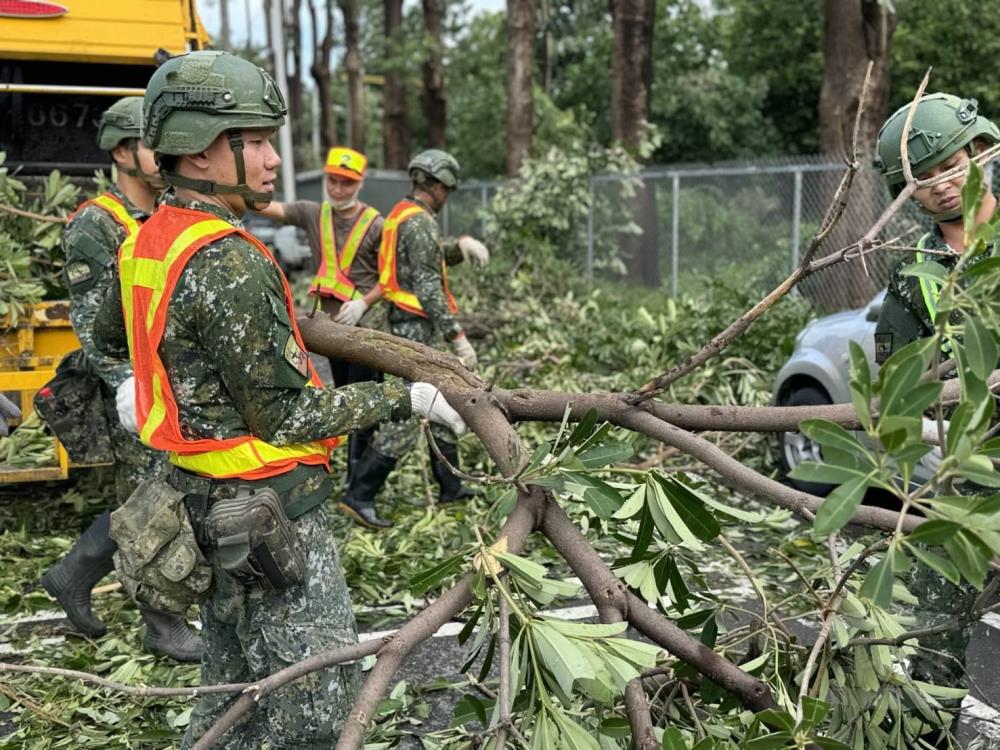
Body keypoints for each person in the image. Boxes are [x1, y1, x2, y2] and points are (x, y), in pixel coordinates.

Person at [93, 50, 467, 747]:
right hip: (267, 516)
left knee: (230, 698)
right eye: (257, 141)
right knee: (315, 717)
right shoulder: (228, 259)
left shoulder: (148, 238)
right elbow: (288, 416)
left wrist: (137, 387)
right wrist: (405, 398)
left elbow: (115, 335)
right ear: (203, 153)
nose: (272, 159)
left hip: (196, 503)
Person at [40, 96, 202, 662]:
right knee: (153, 499)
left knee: (152, 496)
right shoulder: (95, 224)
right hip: (132, 388)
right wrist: (126, 383)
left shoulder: (163, 212)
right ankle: (162, 623)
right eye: (154, 143)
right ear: (123, 150)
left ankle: (73, 573)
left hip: (170, 380)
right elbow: (91, 324)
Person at [873, 93, 998, 731]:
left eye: (951, 162)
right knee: (933, 637)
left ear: (981, 151)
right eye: (923, 178)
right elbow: (897, 394)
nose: (943, 184)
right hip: (970, 487)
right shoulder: (914, 277)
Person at [341, 149, 490, 528]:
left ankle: (451, 486)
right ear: (438, 185)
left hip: (408, 327)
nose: (446, 197)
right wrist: (457, 336)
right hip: (412, 332)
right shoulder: (419, 222)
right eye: (447, 190)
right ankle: (359, 495)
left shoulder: (401, 214)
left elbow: (423, 259)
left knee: (444, 401)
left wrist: (459, 248)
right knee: (409, 416)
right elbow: (425, 283)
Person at [254, 146, 386, 492]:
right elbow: (270, 208)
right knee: (340, 397)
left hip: (365, 330)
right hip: (329, 332)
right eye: (333, 181)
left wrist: (364, 303)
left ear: (359, 184)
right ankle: (346, 471)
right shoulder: (314, 213)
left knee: (367, 402)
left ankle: (358, 481)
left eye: (346, 183)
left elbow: (391, 276)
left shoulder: (376, 224)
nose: (338, 189)